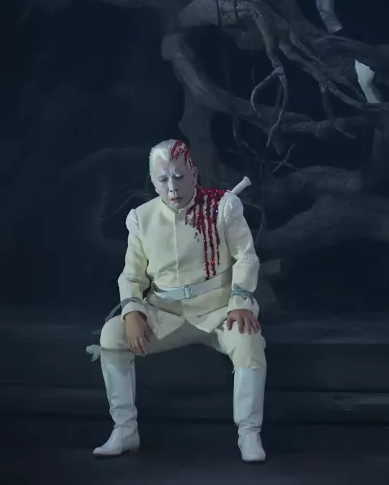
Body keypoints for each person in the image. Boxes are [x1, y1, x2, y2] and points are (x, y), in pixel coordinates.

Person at [90, 139, 267, 462]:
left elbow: (246, 256)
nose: (172, 187)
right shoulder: (141, 218)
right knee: (111, 335)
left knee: (249, 341)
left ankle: (249, 432)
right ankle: (125, 429)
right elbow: (132, 275)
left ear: (194, 174)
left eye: (179, 176)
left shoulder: (223, 206)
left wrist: (240, 300)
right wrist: (132, 311)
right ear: (153, 180)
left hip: (218, 309)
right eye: (163, 179)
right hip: (165, 313)